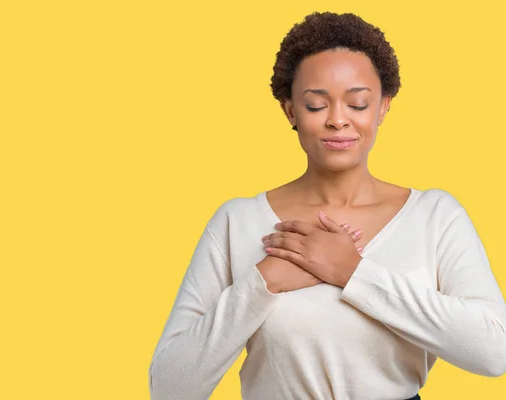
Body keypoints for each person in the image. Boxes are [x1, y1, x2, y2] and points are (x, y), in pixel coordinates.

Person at [148, 11, 506, 400]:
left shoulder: (435, 216)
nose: (338, 120)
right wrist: (262, 283)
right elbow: (168, 388)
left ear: (383, 107)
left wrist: (352, 273)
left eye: (357, 104)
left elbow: (493, 351)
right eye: (317, 105)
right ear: (291, 111)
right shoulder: (238, 222)